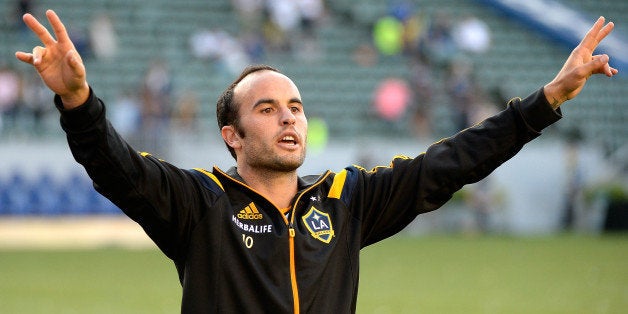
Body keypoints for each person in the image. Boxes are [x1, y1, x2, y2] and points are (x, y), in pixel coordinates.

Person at [15, 9, 618, 313]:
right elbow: (116, 167)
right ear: (232, 135)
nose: (289, 118)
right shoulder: (198, 203)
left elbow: (452, 163)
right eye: (269, 108)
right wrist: (76, 99)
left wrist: (546, 101)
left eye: (297, 107)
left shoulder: (347, 198)